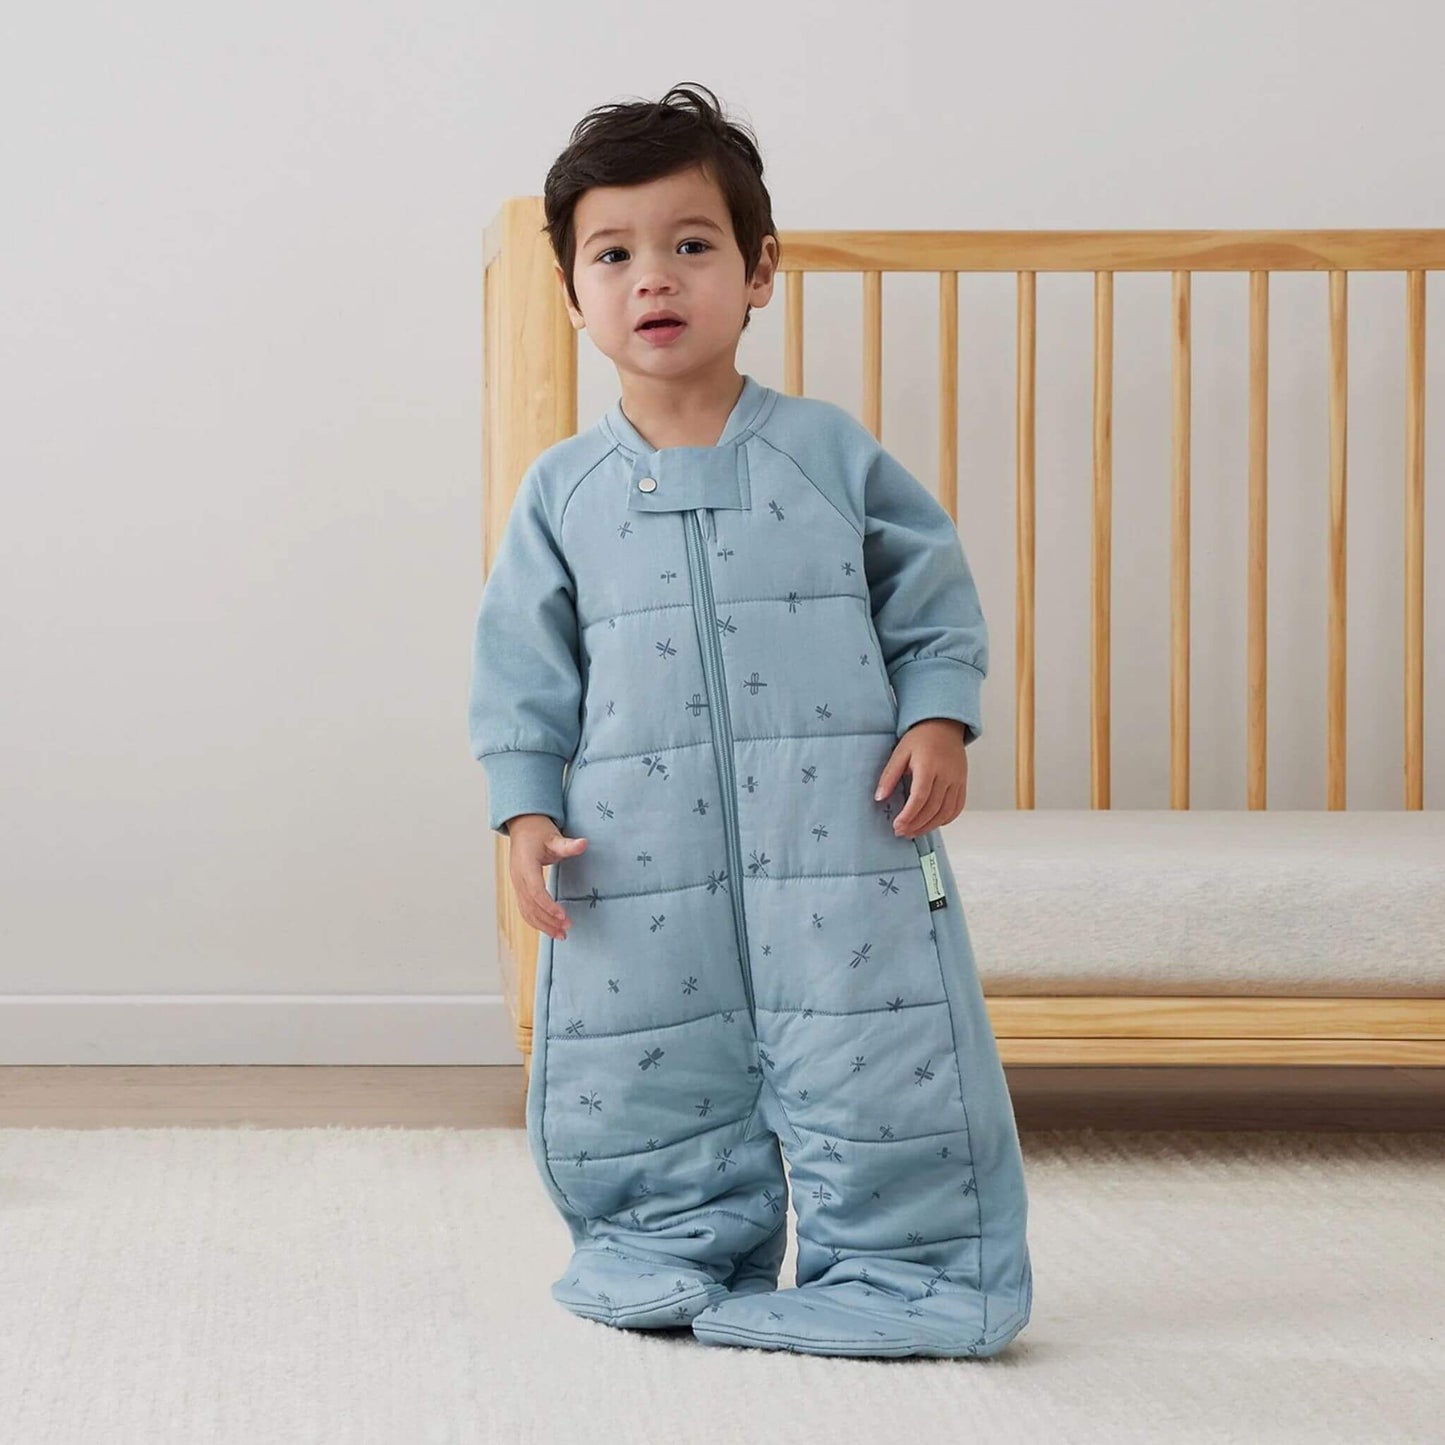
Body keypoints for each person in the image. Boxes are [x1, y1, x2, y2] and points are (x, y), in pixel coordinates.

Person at [468, 82, 1032, 1359]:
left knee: (876, 1047)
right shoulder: (561, 492)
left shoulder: (825, 453)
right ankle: (660, 1241)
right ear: (571, 293)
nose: (652, 278)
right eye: (612, 254)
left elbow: (928, 594)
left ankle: (908, 1266)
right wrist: (523, 805)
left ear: (758, 270)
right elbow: (519, 667)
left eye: (690, 243)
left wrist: (937, 718)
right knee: (644, 1053)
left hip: (839, 830)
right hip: (634, 840)